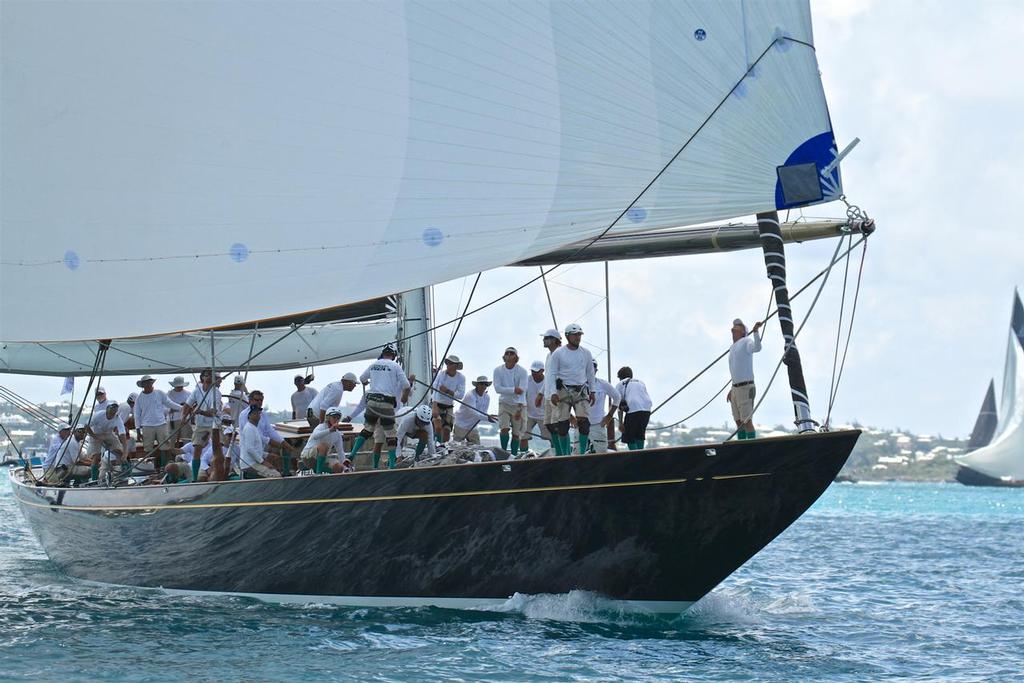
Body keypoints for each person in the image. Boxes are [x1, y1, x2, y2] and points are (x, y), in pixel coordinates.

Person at [349, 344, 410, 469]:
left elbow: (362, 378)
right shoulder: (395, 366)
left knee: (367, 430)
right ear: (393, 356)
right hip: (386, 404)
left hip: (371, 402)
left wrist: (366, 382)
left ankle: (352, 454)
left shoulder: (374, 364)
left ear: (382, 354)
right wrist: (404, 395)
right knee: (391, 436)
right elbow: (406, 385)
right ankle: (392, 466)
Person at [546, 323, 596, 455]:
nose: (578, 337)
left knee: (584, 424)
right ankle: (565, 455)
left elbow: (590, 373)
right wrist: (552, 393)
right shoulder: (558, 353)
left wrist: (593, 391)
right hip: (563, 390)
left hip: (581, 390)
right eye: (575, 335)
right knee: (562, 426)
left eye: (579, 335)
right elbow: (551, 374)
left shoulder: (586, 353)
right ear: (568, 336)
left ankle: (582, 453)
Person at [133, 375, 182, 470]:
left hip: (161, 424)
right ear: (143, 385)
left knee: (165, 447)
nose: (149, 384)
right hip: (147, 425)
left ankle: (166, 467)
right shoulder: (139, 398)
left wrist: (182, 408)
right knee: (148, 449)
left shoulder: (159, 393)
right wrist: (138, 429)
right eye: (146, 383)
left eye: (150, 382)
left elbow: (169, 403)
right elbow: (137, 414)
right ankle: (150, 468)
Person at [238, 390, 301, 463]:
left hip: (260, 450)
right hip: (249, 454)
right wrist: (277, 444)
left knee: (278, 457)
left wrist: (284, 443)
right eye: (256, 400)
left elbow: (270, 431)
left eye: (261, 400)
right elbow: (258, 436)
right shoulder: (244, 415)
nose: (259, 402)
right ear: (250, 401)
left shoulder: (263, 414)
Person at [184, 369, 224, 481]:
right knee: (197, 449)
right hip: (200, 424)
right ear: (202, 378)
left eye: (210, 376)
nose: (207, 378)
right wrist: (184, 418)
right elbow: (187, 405)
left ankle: (219, 474)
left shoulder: (216, 392)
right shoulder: (197, 391)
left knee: (218, 448)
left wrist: (200, 412)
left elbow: (213, 412)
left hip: (214, 423)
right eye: (205, 376)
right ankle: (195, 478)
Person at [728, 318, 763, 440]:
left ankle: (751, 447)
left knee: (746, 421)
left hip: (745, 387)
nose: (733, 331)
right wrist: (732, 389)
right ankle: (742, 445)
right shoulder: (732, 348)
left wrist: (756, 333)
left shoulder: (746, 341)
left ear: (743, 332)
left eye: (736, 329)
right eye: (732, 329)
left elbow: (757, 348)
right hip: (736, 388)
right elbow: (735, 371)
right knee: (738, 422)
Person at [493, 347, 528, 455]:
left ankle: (513, 455)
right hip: (504, 403)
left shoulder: (522, 371)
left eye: (511, 353)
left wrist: (519, 408)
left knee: (516, 434)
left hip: (518, 404)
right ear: (504, 357)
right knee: (504, 428)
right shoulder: (498, 370)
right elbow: (497, 389)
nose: (509, 355)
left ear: (516, 357)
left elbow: (522, 391)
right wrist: (513, 390)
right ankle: (503, 452)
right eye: (507, 353)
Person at [300, 407, 349, 473]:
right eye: (334, 417)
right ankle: (318, 474)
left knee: (339, 467)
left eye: (338, 418)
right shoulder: (321, 427)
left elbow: (340, 451)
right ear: (328, 418)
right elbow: (315, 436)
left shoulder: (337, 434)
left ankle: (323, 476)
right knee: (324, 446)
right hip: (308, 457)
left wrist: (345, 467)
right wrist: (329, 430)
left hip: (321, 459)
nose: (336, 420)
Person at [86, 402, 128, 480]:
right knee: (96, 456)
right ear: (107, 408)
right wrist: (96, 438)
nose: (113, 411)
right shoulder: (98, 415)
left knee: (119, 452)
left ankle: (125, 475)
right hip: (96, 433)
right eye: (112, 408)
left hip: (108, 433)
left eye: (115, 409)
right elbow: (86, 426)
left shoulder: (117, 418)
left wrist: (125, 452)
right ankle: (94, 479)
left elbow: (123, 435)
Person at [615, 367, 653, 450]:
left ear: (620, 377)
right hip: (646, 410)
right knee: (640, 436)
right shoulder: (640, 382)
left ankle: (636, 458)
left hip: (634, 409)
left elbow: (619, 404)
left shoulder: (620, 384)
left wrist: (620, 423)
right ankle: (642, 458)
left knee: (628, 437)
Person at [586, 362, 620, 454]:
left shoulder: (603, 384)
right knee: (578, 454)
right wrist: (571, 417)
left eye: (593, 368)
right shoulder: (576, 384)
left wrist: (609, 415)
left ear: (596, 370)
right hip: (581, 425)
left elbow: (617, 397)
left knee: (602, 453)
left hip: (598, 425)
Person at [430, 354, 465, 443]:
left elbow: (460, 395)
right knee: (437, 426)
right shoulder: (441, 375)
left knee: (447, 430)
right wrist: (434, 406)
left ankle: (443, 446)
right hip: (437, 403)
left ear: (456, 366)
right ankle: (436, 445)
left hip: (449, 406)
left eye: (451, 363)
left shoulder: (461, 378)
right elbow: (435, 389)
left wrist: (448, 391)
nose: (448, 365)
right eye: (447, 363)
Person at [239, 405, 281, 478]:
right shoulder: (249, 428)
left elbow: (254, 449)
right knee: (276, 475)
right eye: (254, 413)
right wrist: (264, 462)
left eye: (258, 413)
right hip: (249, 464)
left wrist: (267, 455)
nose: (257, 415)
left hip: (253, 462)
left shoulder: (253, 428)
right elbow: (249, 449)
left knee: (275, 469)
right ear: (249, 416)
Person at [540, 329, 564, 454]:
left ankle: (563, 453)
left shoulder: (561, 353)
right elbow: (548, 376)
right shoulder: (548, 356)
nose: (544, 340)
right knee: (550, 425)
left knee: (559, 425)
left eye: (547, 338)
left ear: (555, 340)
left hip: (558, 394)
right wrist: (540, 393)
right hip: (548, 394)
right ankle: (558, 451)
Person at [452, 376, 494, 444]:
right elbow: (474, 413)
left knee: (477, 447)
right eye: (481, 384)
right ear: (477, 385)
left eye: (485, 384)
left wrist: (492, 418)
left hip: (473, 426)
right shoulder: (470, 395)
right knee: (456, 447)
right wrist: (488, 418)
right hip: (461, 424)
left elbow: (484, 413)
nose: (483, 386)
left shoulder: (487, 397)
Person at [522, 360, 550, 454]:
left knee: (552, 437)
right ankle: (523, 456)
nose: (534, 373)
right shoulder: (526, 380)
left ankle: (555, 454)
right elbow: (521, 397)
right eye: (532, 371)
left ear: (542, 371)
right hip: (528, 414)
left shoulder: (548, 382)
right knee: (522, 436)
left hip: (544, 416)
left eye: (536, 371)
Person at [167, 376, 191, 441]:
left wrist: (175, 408)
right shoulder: (169, 394)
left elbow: (191, 407)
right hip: (173, 419)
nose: (179, 387)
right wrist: (183, 407)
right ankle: (171, 451)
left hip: (185, 419)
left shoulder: (189, 394)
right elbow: (166, 408)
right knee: (171, 439)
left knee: (186, 438)